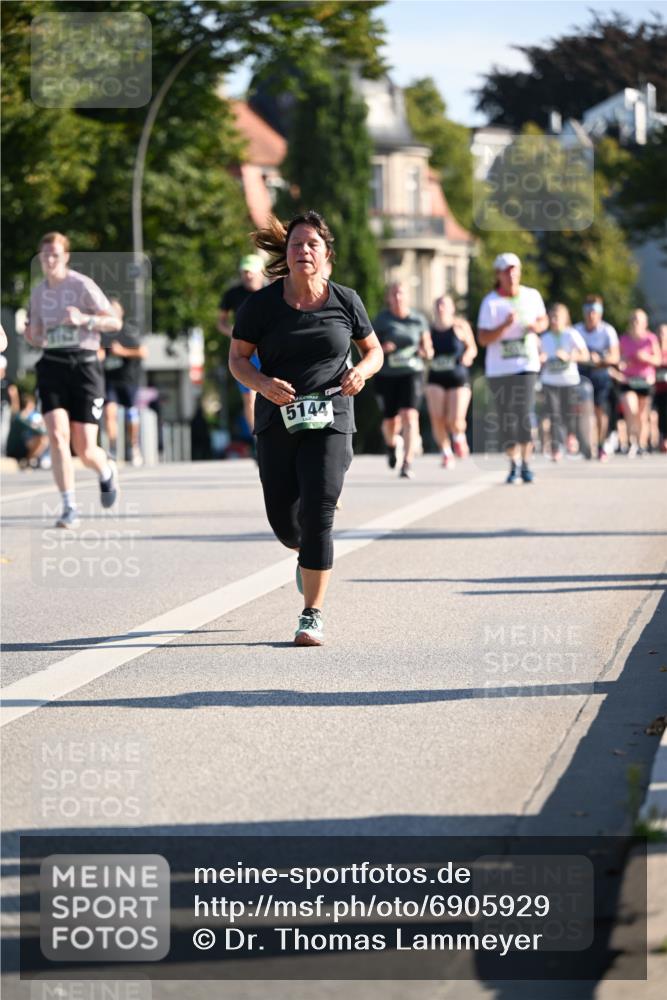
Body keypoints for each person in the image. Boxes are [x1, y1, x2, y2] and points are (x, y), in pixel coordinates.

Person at [229, 211, 383, 646]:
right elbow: (237, 360)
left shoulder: (345, 300)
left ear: (326, 254)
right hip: (278, 420)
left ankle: (311, 613)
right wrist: (262, 383)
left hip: (332, 416)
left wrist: (362, 373)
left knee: (319, 510)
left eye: (312, 244)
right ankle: (304, 553)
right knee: (285, 523)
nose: (303, 251)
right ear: (287, 253)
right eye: (296, 244)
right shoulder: (260, 305)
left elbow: (373, 352)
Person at [22, 232, 121, 528]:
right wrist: (32, 334)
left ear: (65, 257)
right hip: (52, 364)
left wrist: (85, 319)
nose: (49, 260)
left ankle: (105, 471)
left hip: (84, 365)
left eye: (54, 254)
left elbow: (114, 321)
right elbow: (36, 334)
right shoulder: (38, 293)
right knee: (56, 436)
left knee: (86, 448)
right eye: (44, 255)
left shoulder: (81, 285)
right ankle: (69, 507)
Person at [477, 252, 548, 483]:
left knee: (524, 414)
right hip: (499, 369)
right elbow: (483, 338)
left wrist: (535, 326)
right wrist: (504, 326)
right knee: (507, 418)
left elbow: (543, 320)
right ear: (498, 275)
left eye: (515, 269)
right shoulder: (491, 302)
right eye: (507, 270)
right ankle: (514, 463)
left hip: (526, 364)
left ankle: (527, 463)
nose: (512, 274)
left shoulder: (531, 295)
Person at [373, 282, 432, 479]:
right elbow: (368, 348)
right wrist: (383, 348)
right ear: (389, 298)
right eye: (394, 294)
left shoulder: (418, 319)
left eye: (401, 294)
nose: (398, 297)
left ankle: (407, 462)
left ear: (407, 297)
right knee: (390, 422)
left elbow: (428, 348)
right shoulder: (382, 320)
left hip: (412, 372)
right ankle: (391, 446)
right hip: (387, 375)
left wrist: (425, 351)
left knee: (410, 415)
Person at [425, 294, 477, 468]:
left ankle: (459, 437)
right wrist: (425, 352)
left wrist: (468, 356)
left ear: (452, 309)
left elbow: (472, 348)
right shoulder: (428, 330)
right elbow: (424, 350)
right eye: (438, 305)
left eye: (444, 305)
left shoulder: (460, 326)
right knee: (437, 418)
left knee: (455, 420)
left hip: (458, 376)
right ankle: (446, 452)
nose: (441, 308)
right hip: (436, 377)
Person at [218, 254, 266, 437]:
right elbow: (221, 322)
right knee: (250, 398)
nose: (248, 276)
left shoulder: (273, 291)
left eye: (251, 273)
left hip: (268, 350)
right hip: (245, 352)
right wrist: (234, 333)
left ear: (261, 273)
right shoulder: (233, 294)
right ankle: (258, 438)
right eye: (244, 272)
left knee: (275, 392)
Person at [539, 304, 590, 461]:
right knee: (554, 415)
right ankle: (556, 448)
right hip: (550, 381)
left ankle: (573, 438)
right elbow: (538, 358)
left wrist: (569, 356)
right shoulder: (544, 338)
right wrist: (541, 360)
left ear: (565, 318)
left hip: (569, 381)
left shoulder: (571, 334)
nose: (554, 320)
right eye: (551, 317)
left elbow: (585, 355)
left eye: (557, 317)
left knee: (569, 415)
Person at [574, 295, 620, 462]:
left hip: (601, 374)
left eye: (595, 311)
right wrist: (585, 357)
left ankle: (600, 445)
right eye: (588, 311)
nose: (591, 314)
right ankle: (585, 445)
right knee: (585, 410)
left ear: (600, 312)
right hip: (582, 374)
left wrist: (600, 360)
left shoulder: (607, 331)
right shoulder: (577, 330)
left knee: (600, 411)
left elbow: (615, 357)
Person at [103, 298, 148, 466]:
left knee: (131, 414)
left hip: (128, 379)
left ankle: (134, 447)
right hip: (109, 380)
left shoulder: (129, 332)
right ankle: (113, 449)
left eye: (115, 310)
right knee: (109, 413)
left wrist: (122, 352)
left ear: (121, 313)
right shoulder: (102, 334)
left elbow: (143, 352)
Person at [618, 309, 661, 457]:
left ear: (645, 323)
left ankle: (642, 444)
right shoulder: (624, 339)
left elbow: (658, 360)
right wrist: (622, 363)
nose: (635, 323)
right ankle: (631, 442)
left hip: (645, 380)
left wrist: (646, 357)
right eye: (633, 320)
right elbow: (619, 359)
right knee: (631, 409)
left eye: (639, 320)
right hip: (628, 380)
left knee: (642, 415)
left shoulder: (651, 339)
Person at [5, 385, 49, 468]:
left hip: (25, 443)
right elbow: (35, 430)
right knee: (42, 439)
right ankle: (29, 460)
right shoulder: (20, 417)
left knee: (44, 439)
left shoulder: (30, 416)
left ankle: (35, 459)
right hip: (17, 447)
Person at [652, 323, 667, 453]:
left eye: (664, 333)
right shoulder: (653, 351)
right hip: (654, 389)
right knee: (654, 415)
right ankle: (654, 440)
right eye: (659, 333)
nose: (661, 336)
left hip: (666, 390)